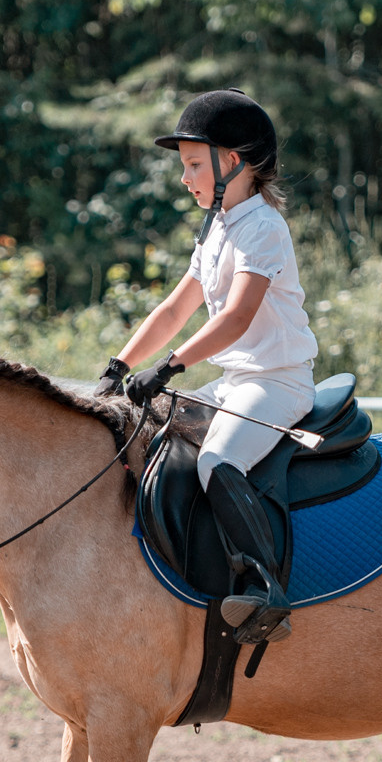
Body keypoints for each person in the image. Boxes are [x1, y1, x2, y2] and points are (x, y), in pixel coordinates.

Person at [98, 89, 318, 646]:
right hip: (235, 380)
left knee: (218, 459)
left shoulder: (263, 228)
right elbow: (175, 308)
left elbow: (239, 317)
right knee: (151, 436)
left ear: (233, 162)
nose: (184, 177)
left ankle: (266, 590)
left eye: (194, 164)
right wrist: (119, 364)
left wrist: (168, 368)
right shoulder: (219, 228)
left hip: (276, 383)